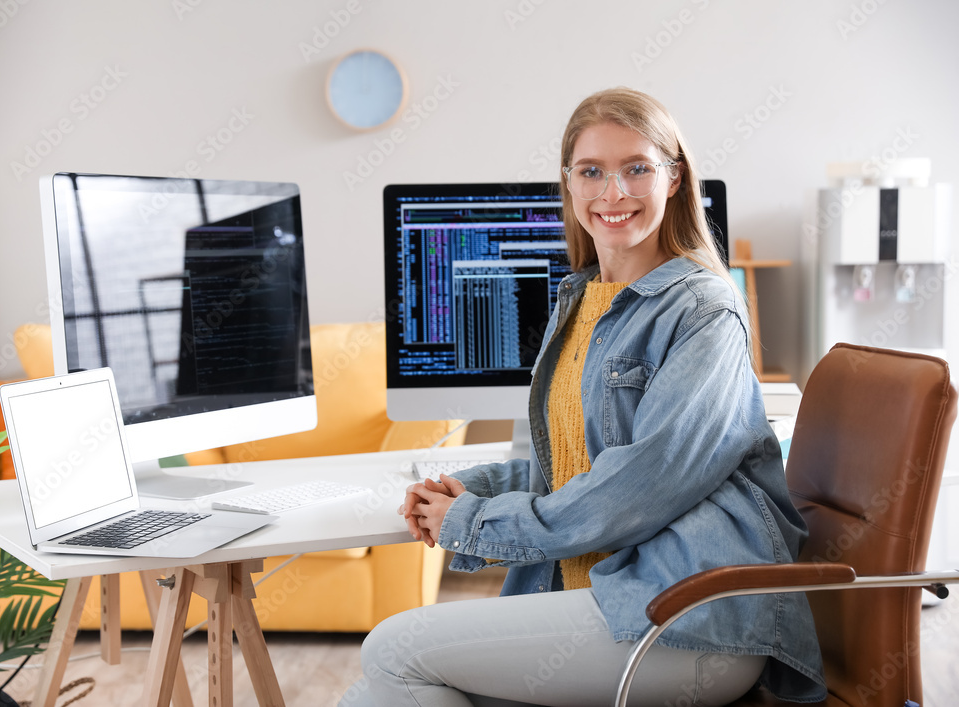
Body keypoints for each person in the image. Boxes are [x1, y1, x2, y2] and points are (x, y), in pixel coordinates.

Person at [339, 87, 825, 707]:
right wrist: (469, 489)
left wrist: (473, 524)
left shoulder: (705, 307)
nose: (612, 193)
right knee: (377, 693)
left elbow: (639, 486)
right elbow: (575, 464)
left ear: (674, 179)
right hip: (599, 600)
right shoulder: (582, 299)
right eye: (591, 171)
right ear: (568, 183)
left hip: (686, 617)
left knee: (393, 650)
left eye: (637, 169)